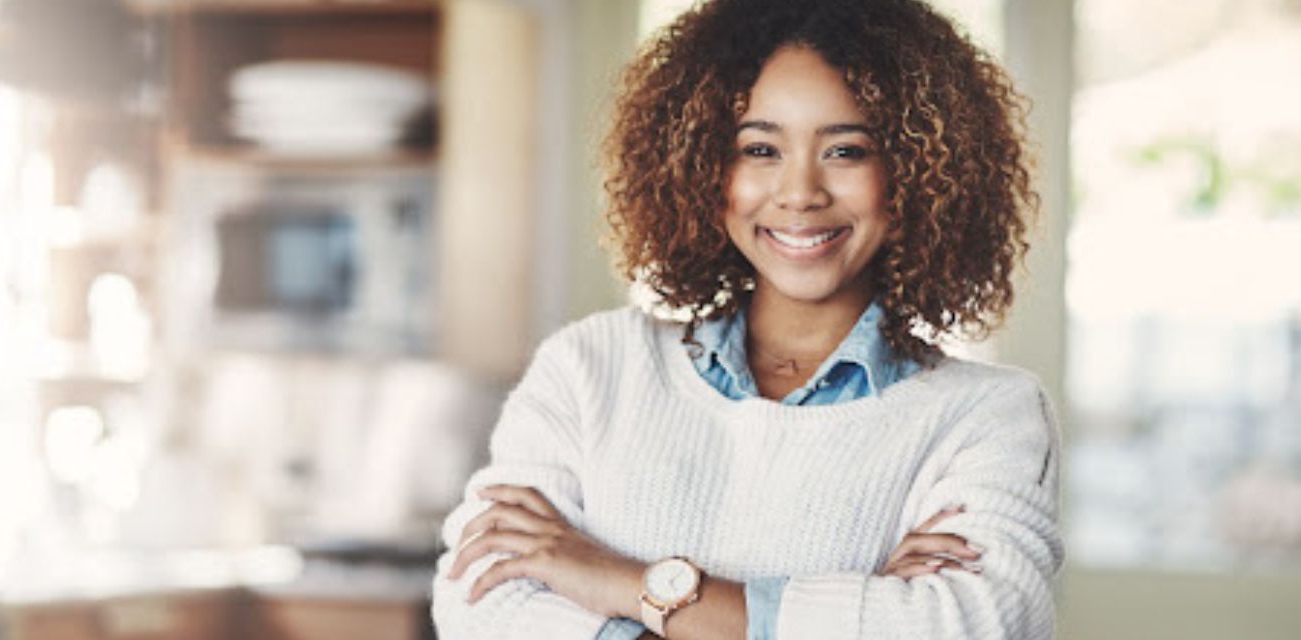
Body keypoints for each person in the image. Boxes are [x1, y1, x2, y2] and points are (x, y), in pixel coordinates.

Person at [431, 0, 1063, 637]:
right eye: (760, 148)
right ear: (704, 169)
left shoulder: (987, 416)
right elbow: (480, 601)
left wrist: (624, 582)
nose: (798, 192)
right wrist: (854, 612)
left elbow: (973, 627)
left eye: (847, 151)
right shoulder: (592, 366)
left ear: (917, 176)